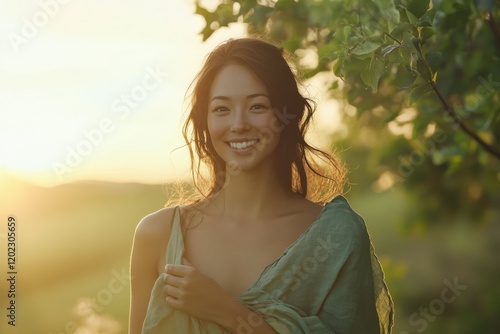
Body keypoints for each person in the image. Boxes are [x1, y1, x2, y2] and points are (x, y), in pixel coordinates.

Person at [129, 37, 394, 334]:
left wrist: (227, 312)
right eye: (221, 109)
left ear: (286, 115)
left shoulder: (337, 235)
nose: (239, 124)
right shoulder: (158, 235)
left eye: (257, 106)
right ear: (204, 122)